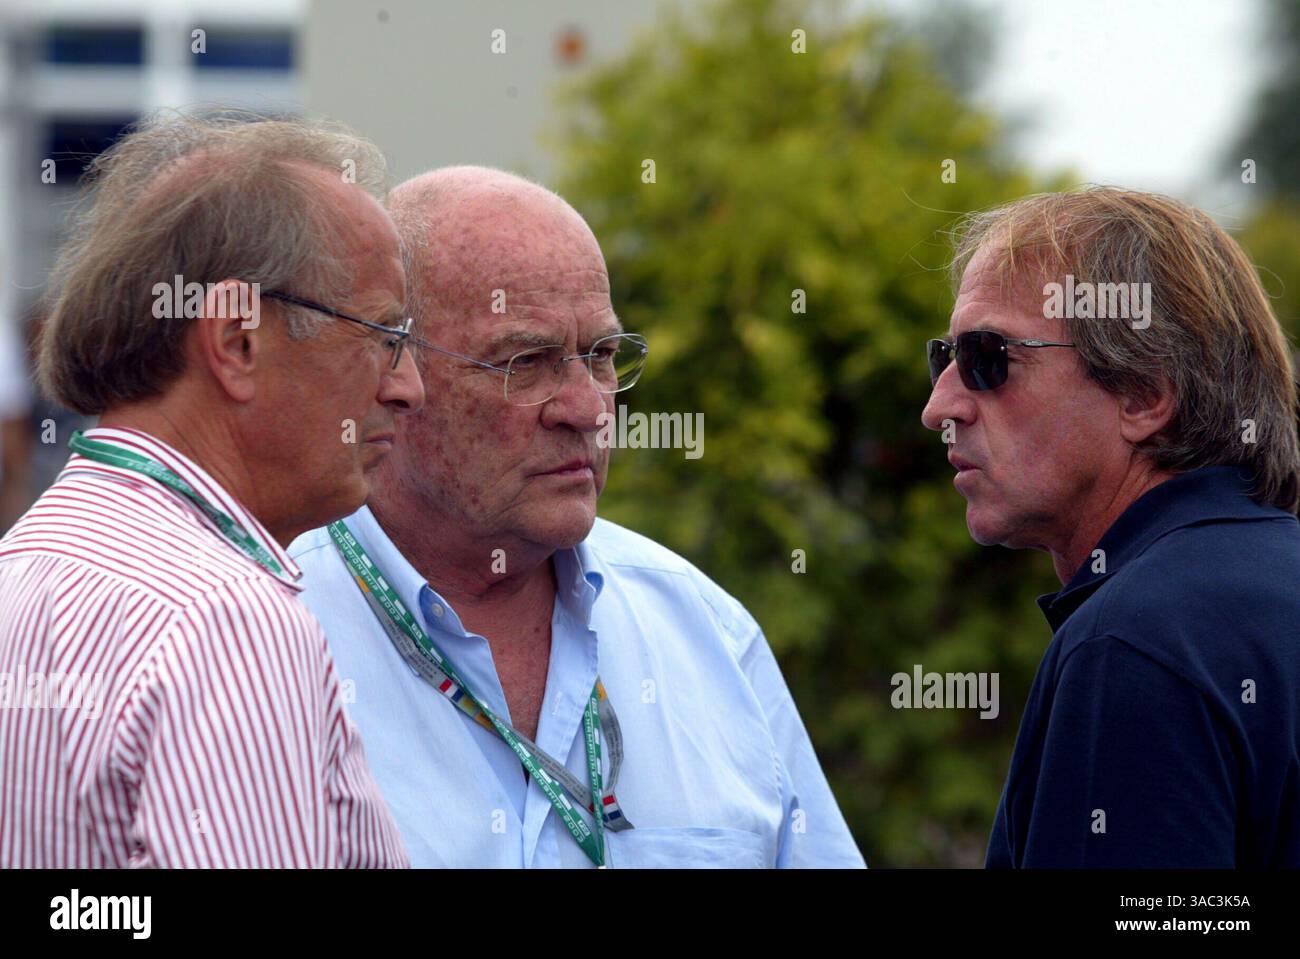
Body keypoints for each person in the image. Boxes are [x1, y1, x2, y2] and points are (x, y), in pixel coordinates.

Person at [290, 166, 864, 868]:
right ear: (393, 367)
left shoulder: (705, 629)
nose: (588, 408)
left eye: (601, 357)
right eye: (525, 362)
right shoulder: (265, 633)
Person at [0, 111, 425, 867]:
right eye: (384, 337)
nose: (410, 387)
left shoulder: (23, 566)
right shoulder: (228, 619)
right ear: (238, 342)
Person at [922, 187, 1300, 867]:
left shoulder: (1134, 641)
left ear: (1144, 393)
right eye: (942, 357)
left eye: (988, 357)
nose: (940, 404)